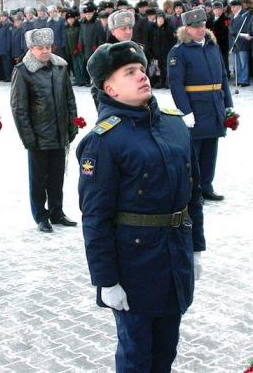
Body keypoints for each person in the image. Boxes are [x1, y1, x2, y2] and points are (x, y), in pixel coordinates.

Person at [77, 40, 205, 372]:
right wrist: (105, 279)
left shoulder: (175, 125)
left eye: (142, 70)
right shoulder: (104, 141)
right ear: (110, 88)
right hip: (134, 265)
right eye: (129, 72)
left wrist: (197, 249)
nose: (141, 76)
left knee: (166, 349)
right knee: (136, 354)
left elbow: (194, 193)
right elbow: (95, 218)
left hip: (175, 254)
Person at [10, 28, 79, 232]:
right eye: (40, 48)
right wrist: (28, 137)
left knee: (57, 175)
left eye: (48, 47)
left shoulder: (60, 67)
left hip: (59, 132)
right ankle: (41, 215)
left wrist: (72, 124)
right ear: (31, 49)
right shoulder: (23, 71)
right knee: (39, 178)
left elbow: (69, 98)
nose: (45, 51)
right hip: (38, 135)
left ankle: (57, 211)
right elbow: (18, 108)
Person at [168, 8, 233, 201]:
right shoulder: (179, 51)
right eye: (195, 27)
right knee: (194, 151)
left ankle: (206, 185)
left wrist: (227, 104)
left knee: (211, 147)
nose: (200, 30)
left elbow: (222, 76)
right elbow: (176, 84)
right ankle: (192, 188)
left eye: (202, 25)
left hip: (214, 104)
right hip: (195, 106)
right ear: (186, 28)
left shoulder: (212, 46)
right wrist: (185, 111)